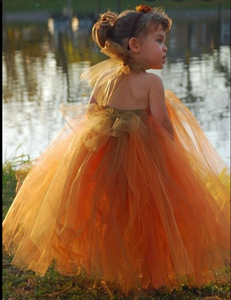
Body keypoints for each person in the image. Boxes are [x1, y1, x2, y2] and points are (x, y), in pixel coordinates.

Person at [2, 4, 230, 295]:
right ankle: (152, 275)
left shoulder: (104, 78)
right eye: (159, 40)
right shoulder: (152, 83)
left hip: (103, 157)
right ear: (134, 45)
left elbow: (90, 114)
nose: (165, 48)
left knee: (112, 213)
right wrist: (176, 155)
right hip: (145, 158)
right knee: (148, 213)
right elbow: (162, 124)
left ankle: (113, 266)